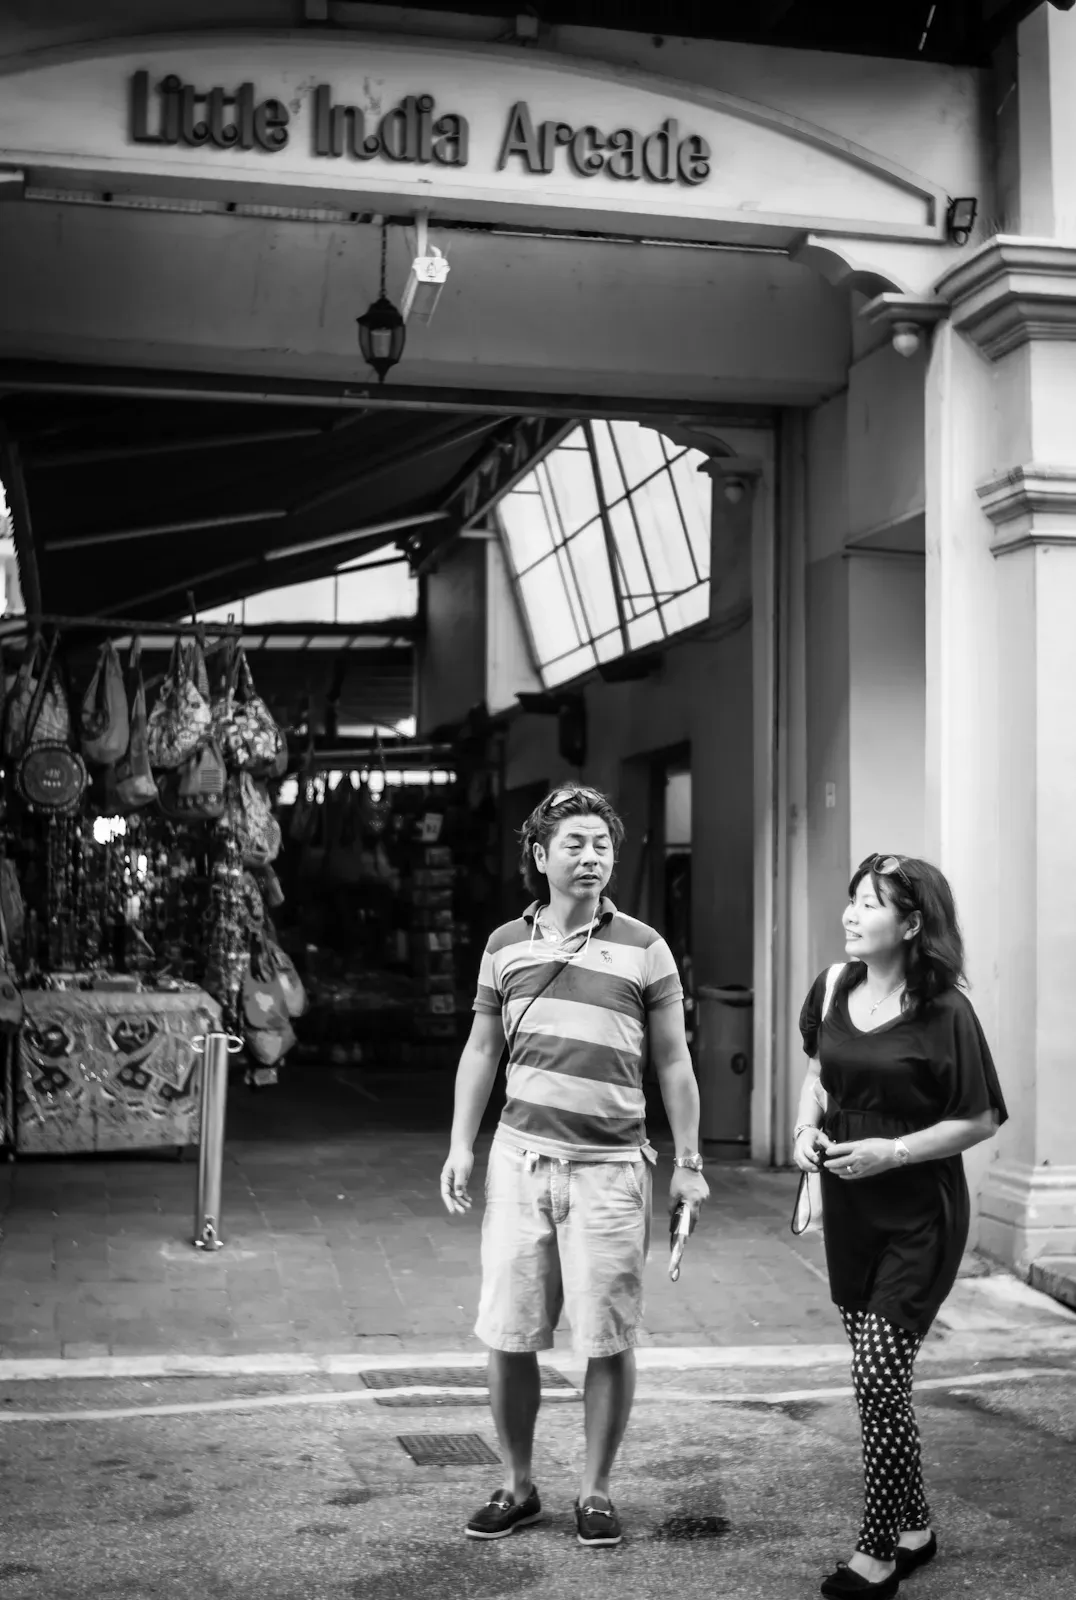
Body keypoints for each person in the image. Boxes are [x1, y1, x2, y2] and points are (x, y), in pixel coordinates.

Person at [440, 783, 709, 1548]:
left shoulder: (645, 947)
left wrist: (688, 1161)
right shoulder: (503, 947)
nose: (590, 857)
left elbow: (673, 1061)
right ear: (539, 856)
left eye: (601, 846)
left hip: (611, 1169)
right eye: (573, 844)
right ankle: (517, 1483)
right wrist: (462, 1144)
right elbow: (482, 1050)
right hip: (521, 1162)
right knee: (510, 1330)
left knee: (607, 1335)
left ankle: (594, 1490)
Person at [793, 853, 1007, 1599]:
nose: (852, 914)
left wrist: (895, 1150)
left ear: (911, 923)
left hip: (919, 1211)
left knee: (878, 1370)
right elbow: (819, 1072)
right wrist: (801, 1132)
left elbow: (979, 1118)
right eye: (851, 899)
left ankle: (879, 1548)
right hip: (850, 1208)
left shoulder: (945, 1008)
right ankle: (915, 1524)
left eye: (871, 904)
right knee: (879, 1383)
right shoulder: (834, 984)